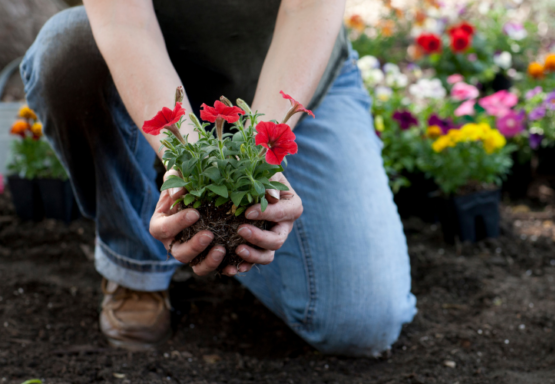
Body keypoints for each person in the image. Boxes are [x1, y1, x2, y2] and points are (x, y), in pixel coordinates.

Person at [21, 0, 416, 357]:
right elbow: (126, 22)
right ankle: (135, 261)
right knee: (66, 51)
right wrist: (185, 165)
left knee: (360, 322)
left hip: (288, 70)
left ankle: (215, 238)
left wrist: (259, 167)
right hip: (145, 65)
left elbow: (307, 7)